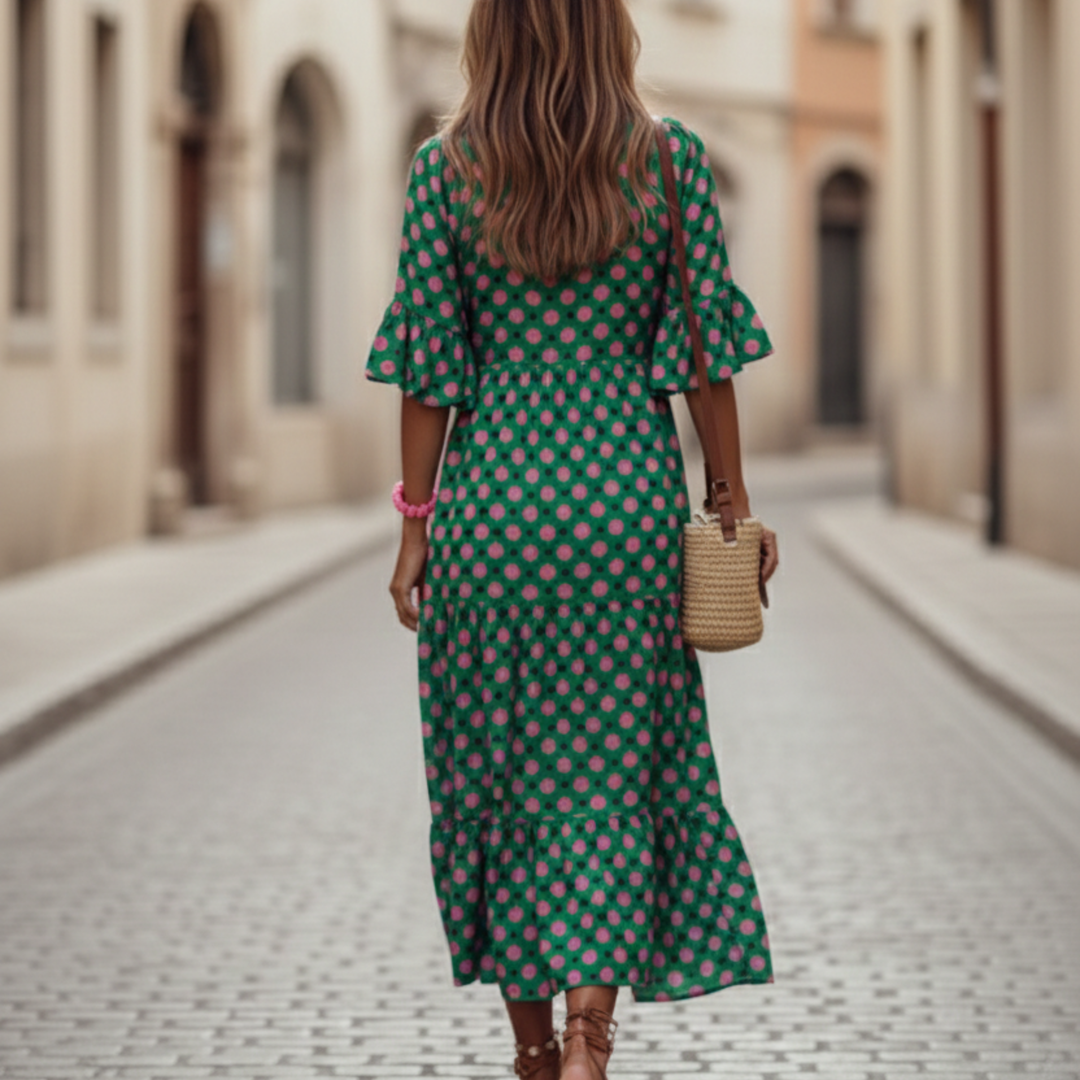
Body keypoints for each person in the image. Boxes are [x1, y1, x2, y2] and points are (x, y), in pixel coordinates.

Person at [365, 1, 780, 1076]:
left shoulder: (443, 171)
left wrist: (415, 530)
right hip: (624, 512)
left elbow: (429, 377)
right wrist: (729, 501)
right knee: (609, 775)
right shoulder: (671, 161)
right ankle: (597, 1032)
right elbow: (704, 354)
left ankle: (539, 1050)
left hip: (493, 510)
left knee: (500, 777)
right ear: (611, 32)